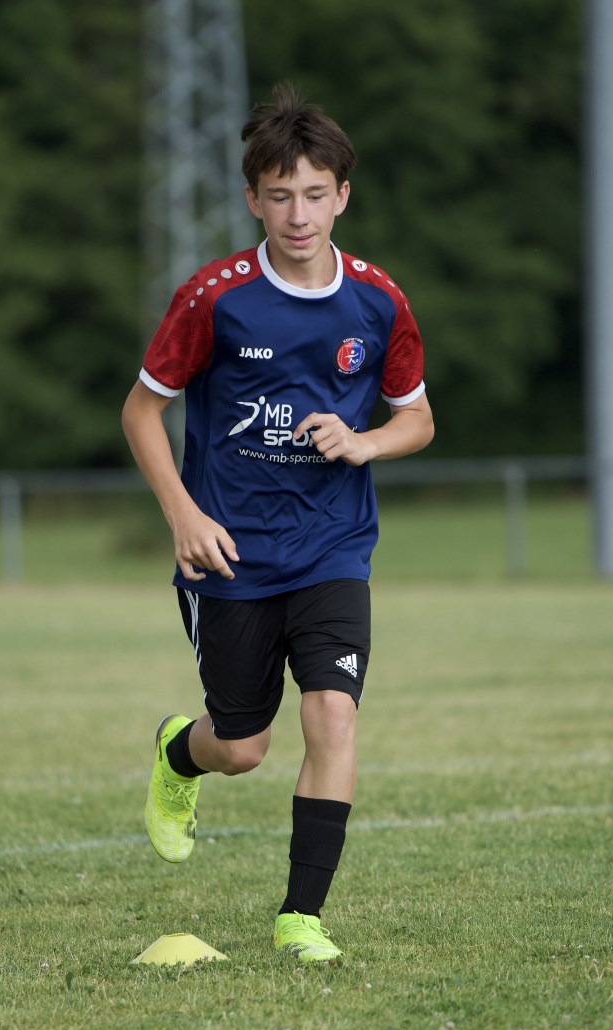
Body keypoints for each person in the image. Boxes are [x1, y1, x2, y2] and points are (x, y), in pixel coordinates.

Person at [122, 83, 434, 962]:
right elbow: (141, 412)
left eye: (315, 194)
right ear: (254, 199)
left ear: (343, 196)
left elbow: (417, 418)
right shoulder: (213, 298)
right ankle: (179, 755)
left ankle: (302, 916)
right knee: (244, 747)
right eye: (280, 195)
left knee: (333, 717)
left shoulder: (378, 302)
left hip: (334, 547)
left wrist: (365, 442)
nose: (299, 214)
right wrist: (183, 515)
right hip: (229, 555)